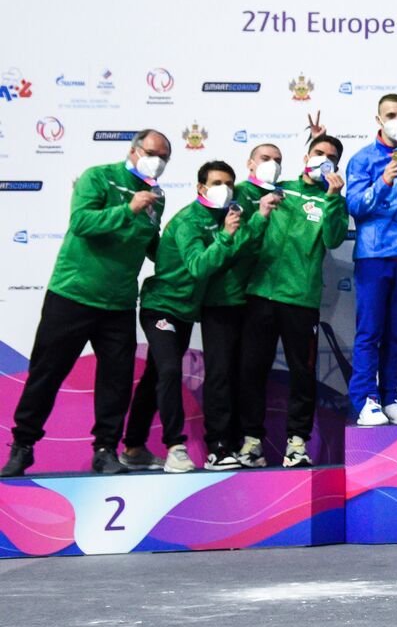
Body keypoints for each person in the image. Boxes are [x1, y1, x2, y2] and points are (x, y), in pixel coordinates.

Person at [3, 130, 170, 478]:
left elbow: (149, 241)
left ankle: (105, 450)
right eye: (153, 152)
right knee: (46, 374)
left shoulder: (158, 196)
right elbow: (81, 223)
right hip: (73, 295)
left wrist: (182, 248)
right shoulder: (99, 177)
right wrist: (128, 209)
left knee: (117, 381)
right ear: (134, 150)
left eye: (165, 157)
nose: (158, 160)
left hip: (120, 303)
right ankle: (23, 447)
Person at [121, 160, 273, 472]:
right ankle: (176, 447)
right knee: (169, 372)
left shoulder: (227, 217)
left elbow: (240, 248)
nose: (225, 189)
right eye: (217, 183)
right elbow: (199, 266)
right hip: (162, 306)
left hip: (188, 311)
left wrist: (255, 221)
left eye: (229, 183)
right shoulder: (189, 220)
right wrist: (227, 236)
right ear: (201, 187)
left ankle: (133, 447)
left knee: (155, 376)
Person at [238, 135, 348, 468]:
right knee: (252, 370)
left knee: (302, 374)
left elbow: (334, 237)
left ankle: (297, 443)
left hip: (301, 299)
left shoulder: (333, 200)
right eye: (318, 153)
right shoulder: (277, 188)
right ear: (305, 157)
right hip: (260, 294)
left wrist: (332, 198)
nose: (322, 159)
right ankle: (251, 442)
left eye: (330, 157)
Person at [200, 143, 285, 469]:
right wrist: (260, 216)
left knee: (251, 375)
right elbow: (234, 245)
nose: (272, 165)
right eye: (266, 159)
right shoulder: (233, 197)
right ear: (250, 163)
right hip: (223, 300)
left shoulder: (283, 194)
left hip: (258, 300)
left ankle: (250, 443)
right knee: (220, 374)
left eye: (278, 161)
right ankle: (219, 445)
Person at [346, 93, 397, 427]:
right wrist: (383, 182)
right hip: (374, 255)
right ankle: (367, 400)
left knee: (395, 333)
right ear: (378, 120)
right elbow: (355, 207)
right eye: (391, 114)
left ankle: (391, 398)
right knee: (369, 332)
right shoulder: (363, 159)